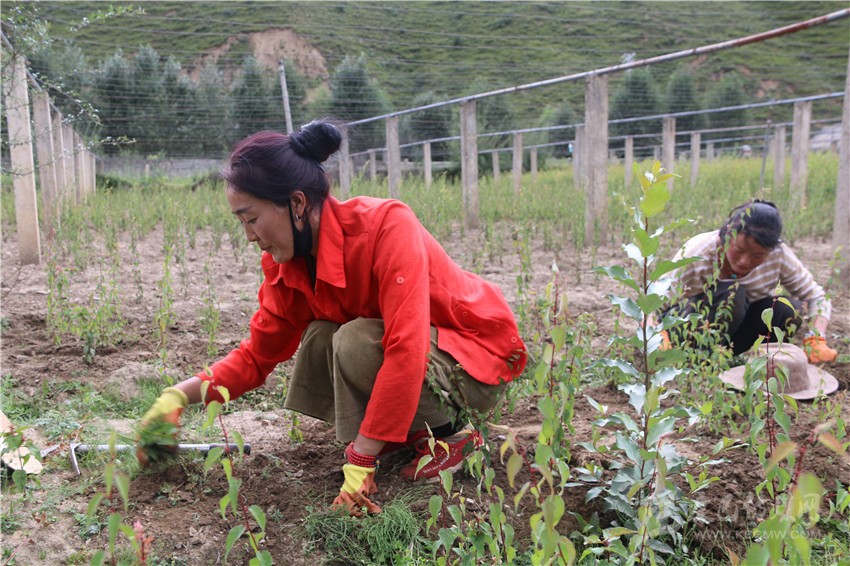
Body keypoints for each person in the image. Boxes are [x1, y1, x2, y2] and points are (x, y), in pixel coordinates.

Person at [136, 120, 528, 516]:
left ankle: (450, 437)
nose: (249, 236)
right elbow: (256, 357)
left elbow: (406, 348)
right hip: (428, 361)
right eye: (241, 223)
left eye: (251, 219)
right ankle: (402, 433)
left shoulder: (386, 226)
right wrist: (176, 397)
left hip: (475, 360)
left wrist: (361, 459)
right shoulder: (287, 266)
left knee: (354, 340)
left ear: (297, 204)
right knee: (321, 336)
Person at [662, 200, 837, 363]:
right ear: (728, 234)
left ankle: (739, 361)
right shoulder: (697, 253)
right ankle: (696, 361)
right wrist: (659, 337)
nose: (744, 261)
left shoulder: (779, 255)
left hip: (732, 333)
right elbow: (652, 305)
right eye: (739, 250)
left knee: (788, 309)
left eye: (758, 256)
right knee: (733, 293)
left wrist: (816, 337)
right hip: (686, 329)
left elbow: (817, 296)